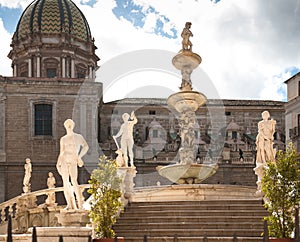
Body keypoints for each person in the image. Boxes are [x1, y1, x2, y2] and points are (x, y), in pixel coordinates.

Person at [56, 119, 89, 210]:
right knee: (65, 183)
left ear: (73, 126)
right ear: (65, 126)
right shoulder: (63, 139)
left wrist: (80, 157)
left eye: (70, 124)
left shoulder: (78, 137)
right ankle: (70, 204)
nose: (69, 126)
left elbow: (86, 146)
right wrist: (58, 163)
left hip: (73, 160)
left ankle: (80, 205)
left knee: (74, 181)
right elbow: (61, 152)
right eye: (67, 124)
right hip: (64, 160)